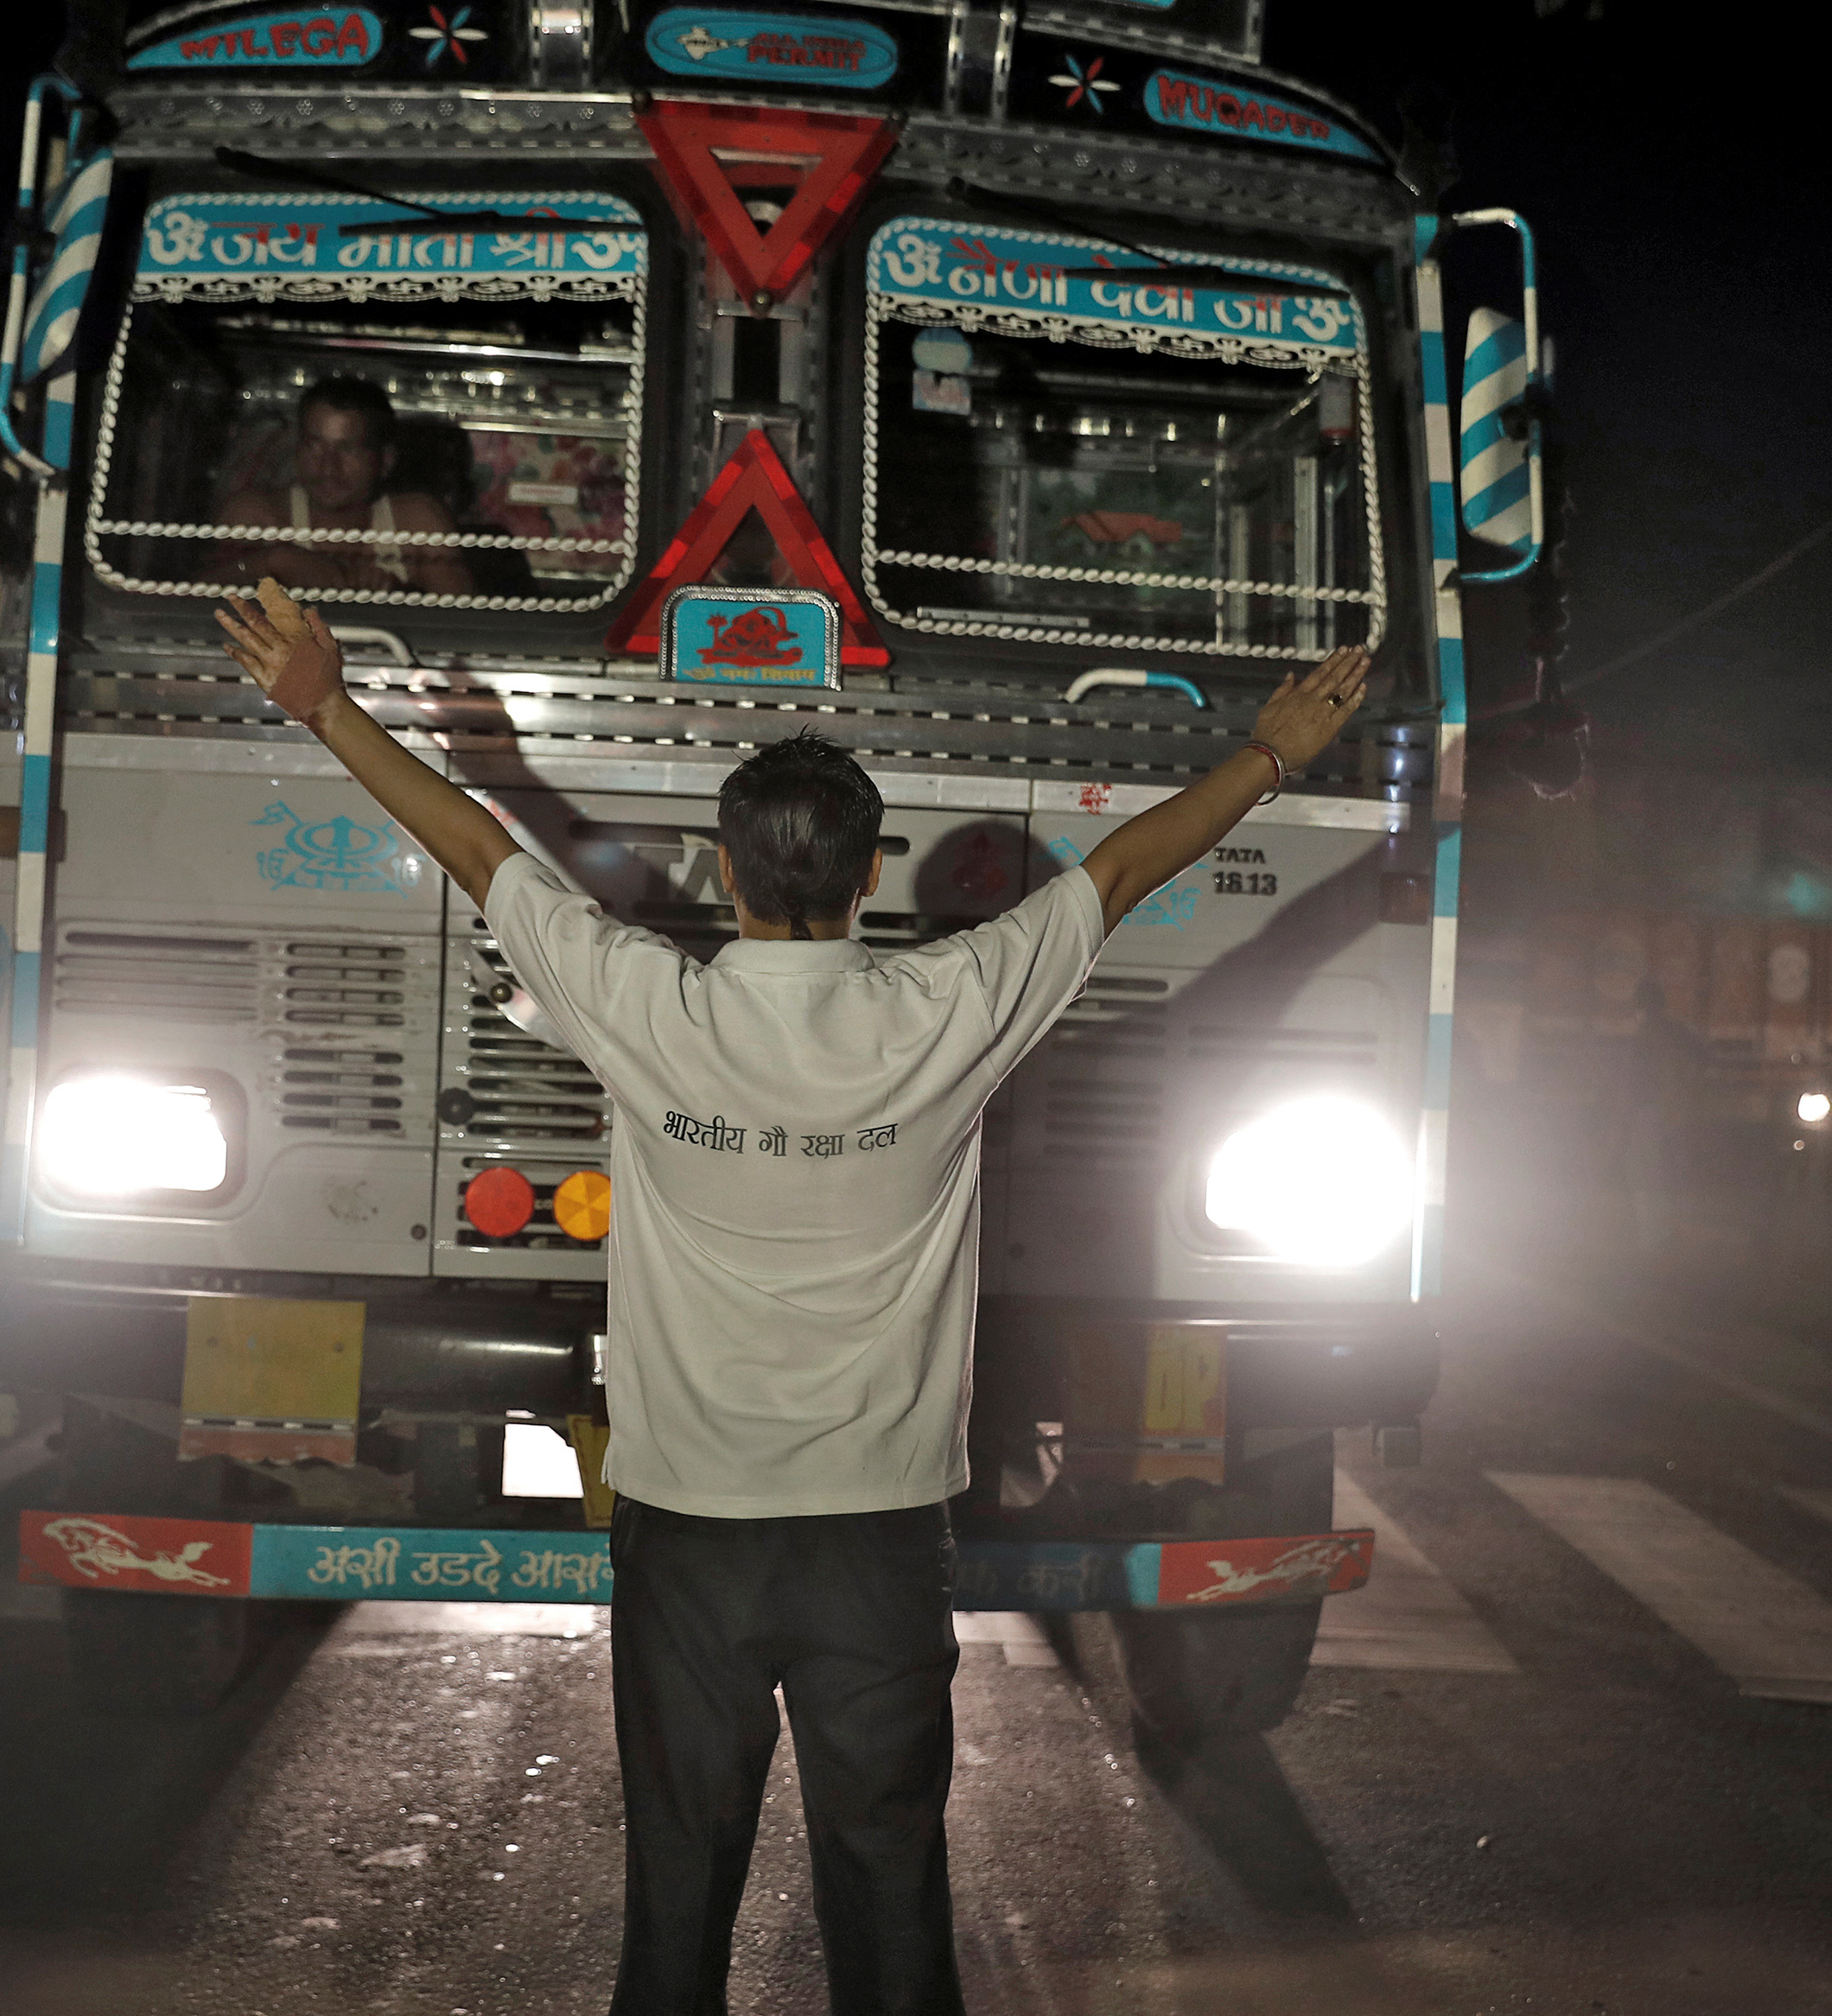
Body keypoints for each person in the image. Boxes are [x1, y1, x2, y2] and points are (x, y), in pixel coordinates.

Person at [213, 577, 1370, 2016]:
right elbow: (1122, 872)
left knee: (679, 1882)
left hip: (691, 1533)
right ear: (871, 873)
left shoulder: (647, 1004)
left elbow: (473, 848)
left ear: (720, 867)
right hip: (880, 1540)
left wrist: (328, 702)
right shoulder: (945, 1009)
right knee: (887, 1881)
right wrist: (1270, 754)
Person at [207, 377, 475, 595]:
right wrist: (271, 563)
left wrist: (399, 592)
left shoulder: (417, 521)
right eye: (315, 446)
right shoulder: (256, 515)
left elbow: (466, 625)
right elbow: (187, 599)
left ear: (384, 460)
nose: (327, 466)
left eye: (347, 450)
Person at [1611, 976, 1702, 1257]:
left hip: (1648, 1117)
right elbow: (1702, 1063)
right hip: (1679, 1116)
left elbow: (1631, 1087)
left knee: (1646, 1179)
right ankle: (1672, 1238)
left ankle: (1654, 1244)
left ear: (1640, 1006)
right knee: (1671, 1178)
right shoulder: (1680, 1033)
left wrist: (1620, 1127)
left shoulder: (1644, 1038)